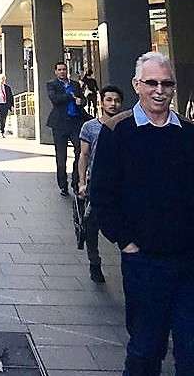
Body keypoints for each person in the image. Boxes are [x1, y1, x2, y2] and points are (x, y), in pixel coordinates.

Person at [91, 51, 194, 376]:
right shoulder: (117, 131)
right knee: (146, 351)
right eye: (152, 83)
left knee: (190, 352)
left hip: (188, 262)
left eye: (167, 83)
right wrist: (126, 242)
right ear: (137, 85)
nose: (159, 91)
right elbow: (102, 193)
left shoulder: (187, 132)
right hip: (144, 262)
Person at [77, 85, 123, 284]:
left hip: (121, 185)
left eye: (117, 100)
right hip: (96, 184)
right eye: (109, 100)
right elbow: (84, 155)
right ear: (101, 102)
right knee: (91, 225)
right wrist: (81, 182)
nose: (113, 104)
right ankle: (94, 262)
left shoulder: (126, 126)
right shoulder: (90, 127)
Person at [47, 61, 87, 196]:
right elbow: (55, 99)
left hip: (75, 123)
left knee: (80, 152)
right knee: (61, 156)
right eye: (59, 70)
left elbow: (83, 99)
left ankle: (76, 182)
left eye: (64, 69)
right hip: (59, 124)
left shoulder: (75, 84)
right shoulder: (52, 84)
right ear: (55, 72)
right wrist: (70, 95)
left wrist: (81, 102)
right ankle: (63, 185)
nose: (62, 72)